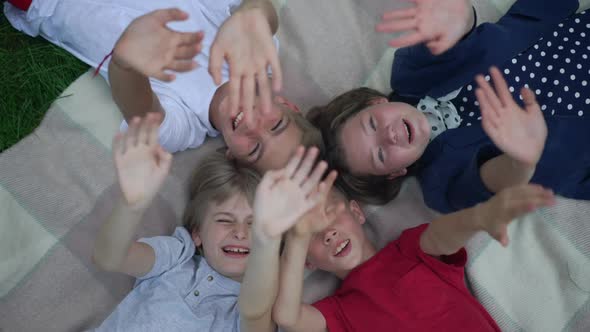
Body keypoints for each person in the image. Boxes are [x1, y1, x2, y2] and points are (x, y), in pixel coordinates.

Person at [307, 0, 590, 211]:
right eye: (380, 154)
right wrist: (523, 160)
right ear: (395, 173)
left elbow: (451, 31)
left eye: (372, 124)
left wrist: (463, 17)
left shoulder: (411, 72)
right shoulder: (441, 185)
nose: (388, 135)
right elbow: (491, 182)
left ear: (376, 102)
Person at [4, 0, 322, 171]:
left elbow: (142, 113)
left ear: (233, 157)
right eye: (276, 125)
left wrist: (129, 64)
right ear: (288, 106)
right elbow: (260, 11)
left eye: (254, 149)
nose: (255, 127)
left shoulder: (184, 127)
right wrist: (254, 11)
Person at [91, 113, 331, 331]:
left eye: (253, 224)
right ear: (197, 234)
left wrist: (266, 239)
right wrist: (131, 206)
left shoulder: (256, 306)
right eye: (225, 220)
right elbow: (110, 257)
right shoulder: (177, 256)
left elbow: (254, 310)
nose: (240, 232)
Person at [271, 183, 556, 332]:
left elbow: (444, 234)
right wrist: (294, 240)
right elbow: (286, 316)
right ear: (306, 262)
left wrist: (479, 218)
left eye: (330, 213)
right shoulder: (335, 312)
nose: (328, 233)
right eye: (311, 233)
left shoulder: (408, 249)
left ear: (357, 213)